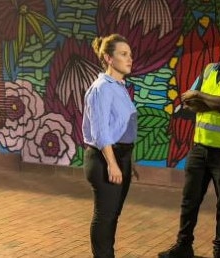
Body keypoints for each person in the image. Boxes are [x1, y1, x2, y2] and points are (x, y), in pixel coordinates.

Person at [158, 30, 220, 258]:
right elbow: (187, 100)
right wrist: (210, 102)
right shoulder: (208, 70)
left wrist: (201, 95)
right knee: (189, 199)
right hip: (199, 148)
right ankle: (183, 245)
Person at [82, 33, 138, 258]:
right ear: (108, 58)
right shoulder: (102, 88)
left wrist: (128, 160)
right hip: (104, 159)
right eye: (123, 54)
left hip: (119, 157)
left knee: (113, 214)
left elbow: (121, 127)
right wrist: (113, 164)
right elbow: (101, 131)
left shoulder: (118, 86)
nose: (130, 58)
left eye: (130, 54)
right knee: (105, 216)